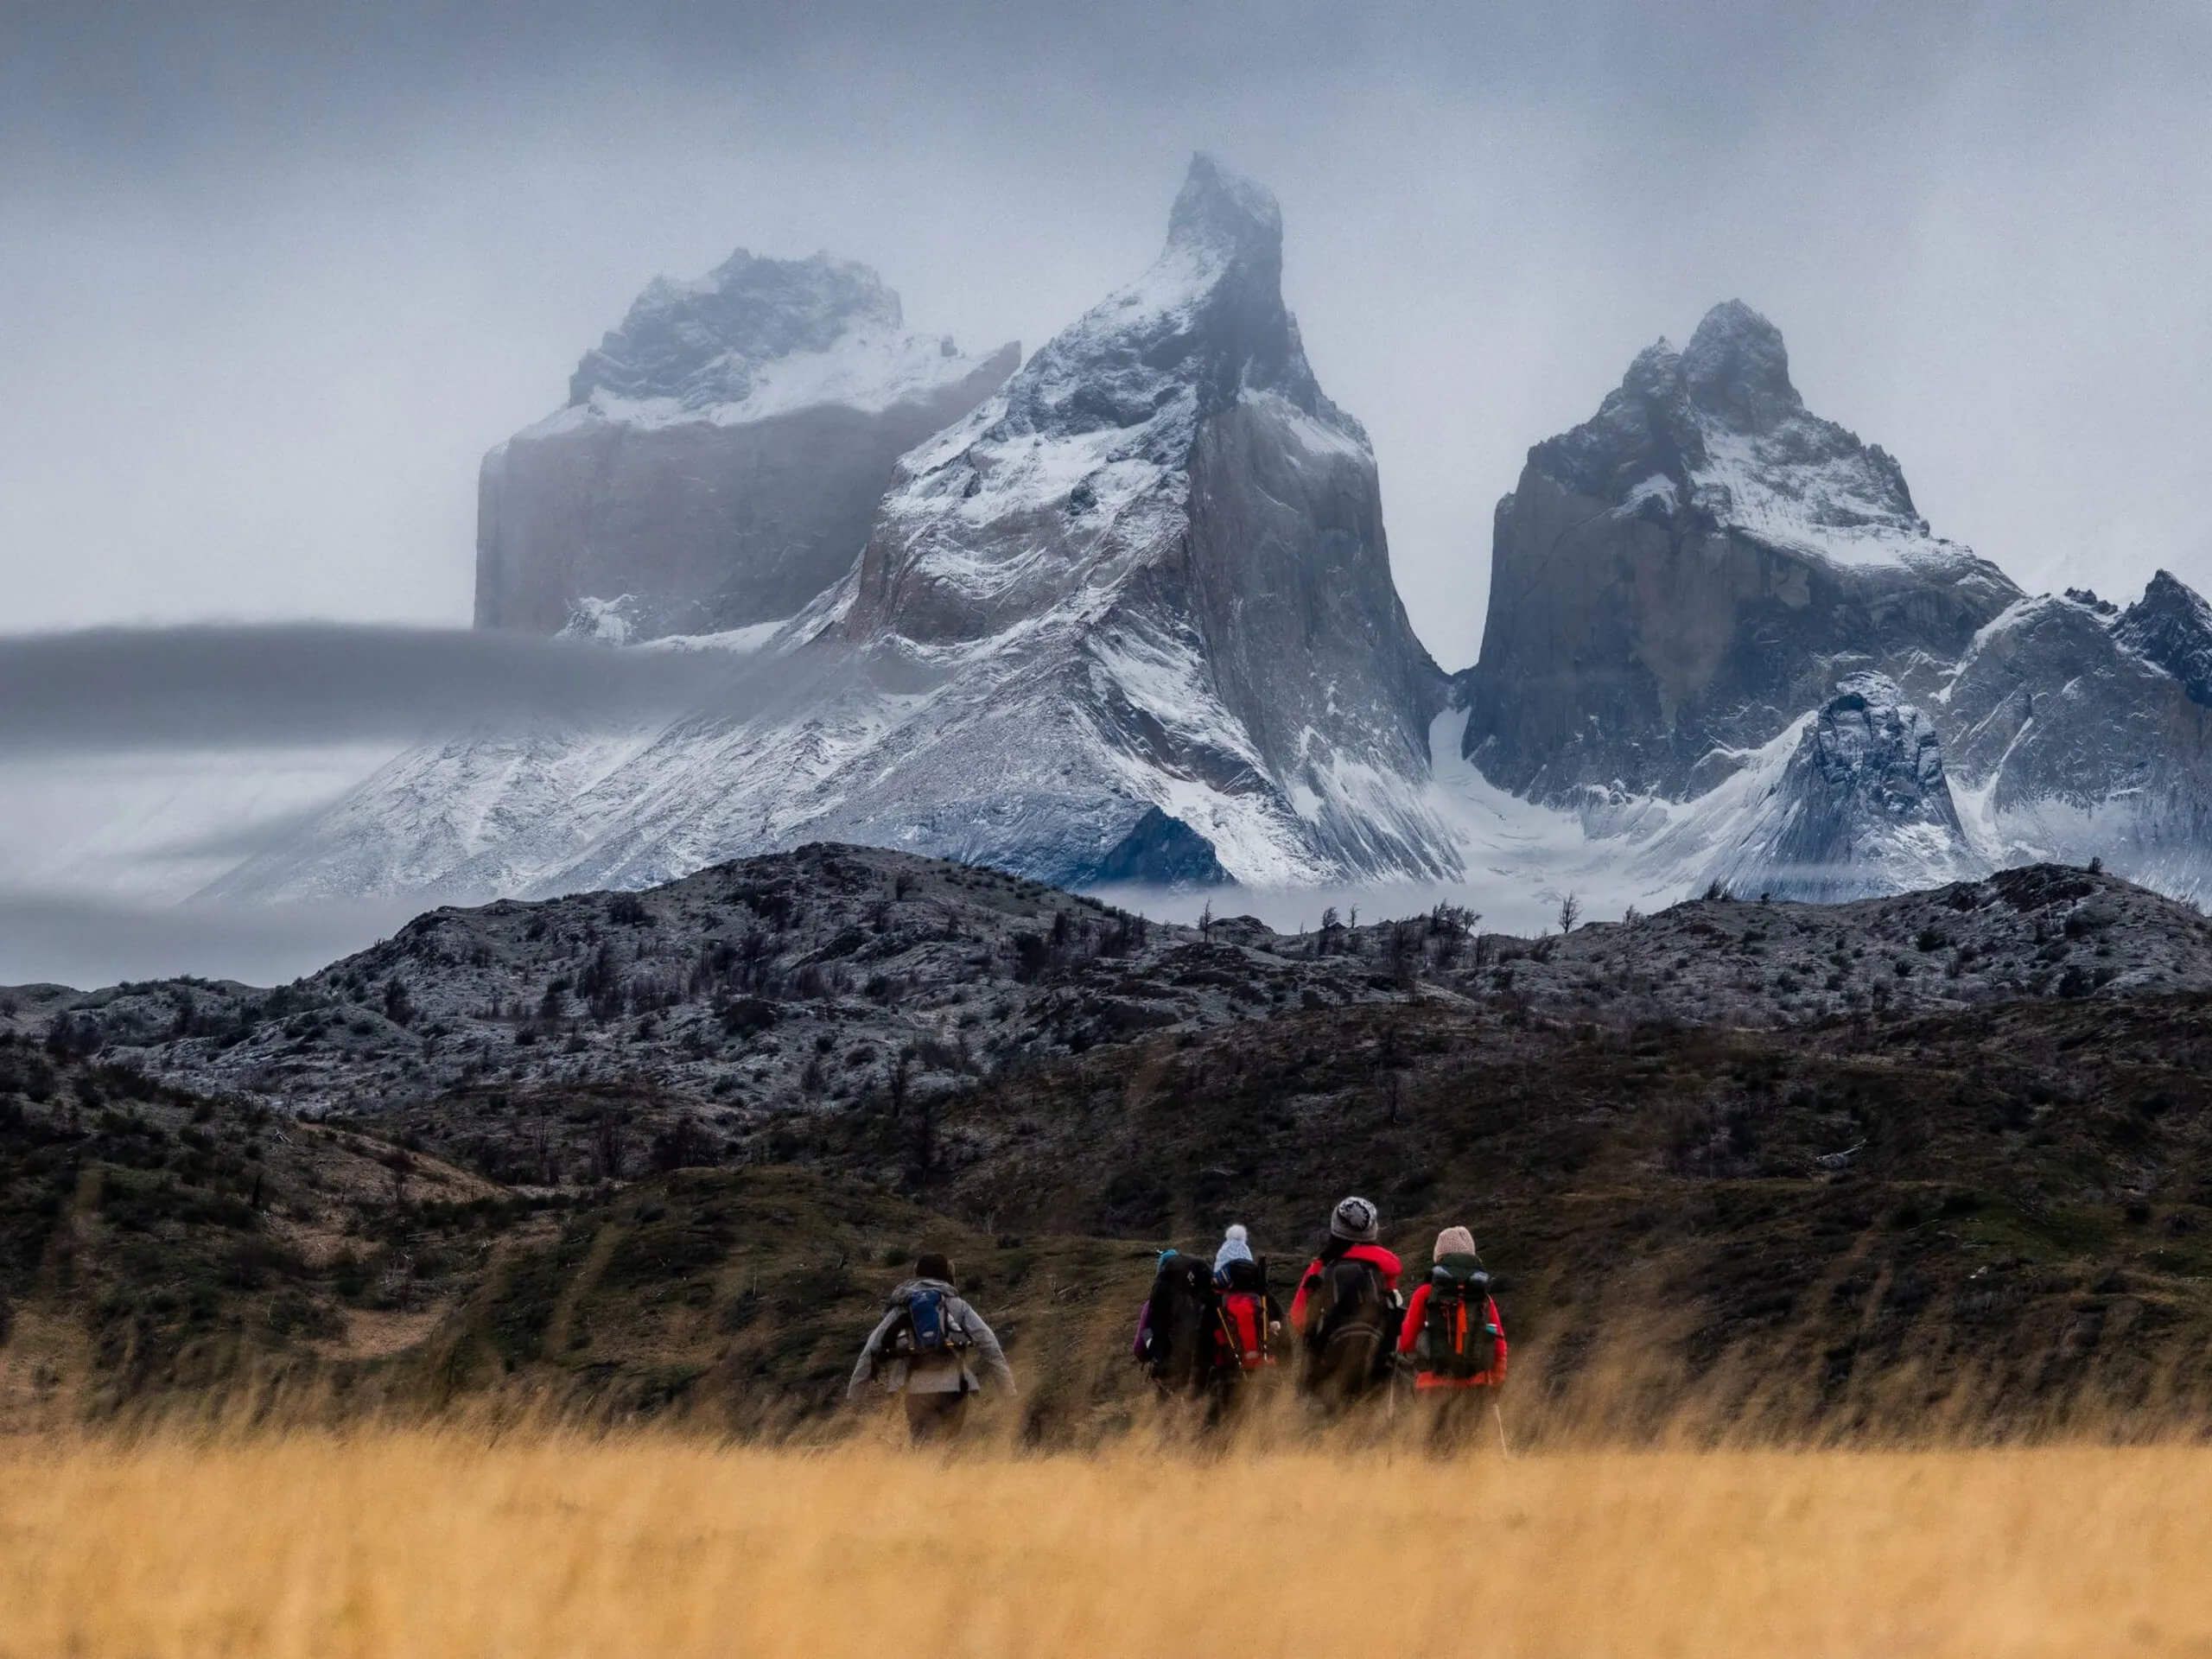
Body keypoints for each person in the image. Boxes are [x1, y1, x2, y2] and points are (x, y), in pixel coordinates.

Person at [848, 1251, 1014, 1442]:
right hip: (954, 1386)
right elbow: (990, 1344)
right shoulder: (958, 1305)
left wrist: (855, 1396)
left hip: (915, 1389)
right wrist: (1008, 1391)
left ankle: (923, 1470)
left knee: (922, 1445)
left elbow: (870, 1350)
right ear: (947, 1275)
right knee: (948, 1444)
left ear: (917, 1274)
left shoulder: (903, 1306)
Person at [1397, 1224, 1508, 1450]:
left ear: (1438, 1257)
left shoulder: (1424, 1293)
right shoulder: (1483, 1296)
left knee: (1434, 1455)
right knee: (1471, 1454)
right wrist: (1495, 1382)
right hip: (1476, 1389)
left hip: (1433, 1390)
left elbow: (1407, 1341)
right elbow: (1499, 1346)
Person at [1289, 1196, 1403, 1407]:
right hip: (1376, 1359)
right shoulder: (1385, 1268)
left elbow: (1298, 1318)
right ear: (1372, 1229)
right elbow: (1394, 1314)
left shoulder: (1321, 1267)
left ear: (1336, 1229)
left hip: (1329, 1363)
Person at [1211, 1224, 1285, 1379]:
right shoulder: (1263, 1296)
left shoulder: (1217, 1300)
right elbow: (1285, 1336)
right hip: (1265, 1370)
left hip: (1228, 1370)